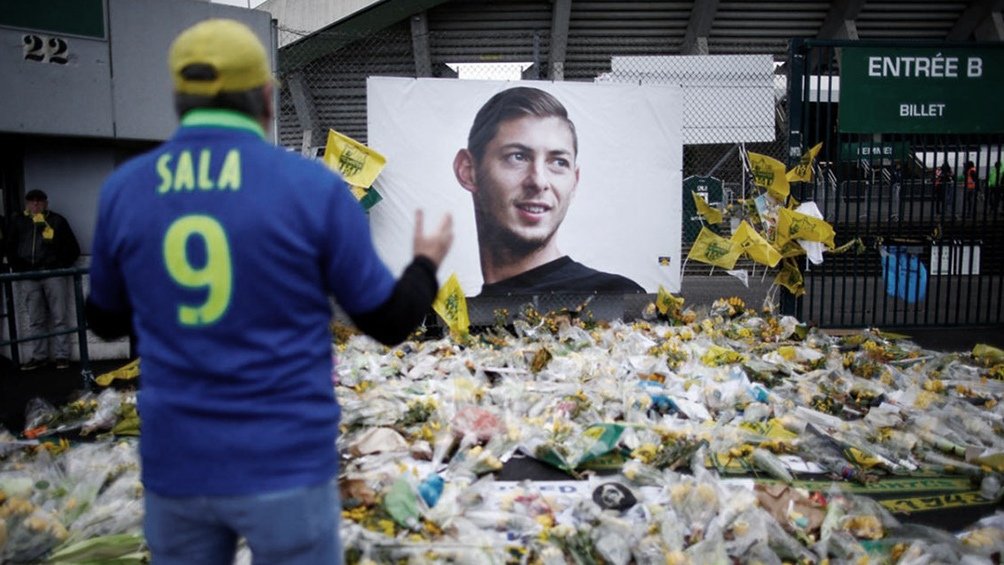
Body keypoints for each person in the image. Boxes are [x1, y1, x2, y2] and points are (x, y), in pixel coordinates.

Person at [85, 19, 452, 565]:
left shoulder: (125, 189)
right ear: (264, 97)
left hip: (176, 461)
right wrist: (426, 261)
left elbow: (106, 321)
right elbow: (390, 321)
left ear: (179, 98)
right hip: (284, 460)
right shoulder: (313, 188)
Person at [452, 86, 644, 296]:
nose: (538, 181)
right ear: (468, 171)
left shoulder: (614, 296)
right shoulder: (449, 314)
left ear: (575, 181)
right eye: (517, 157)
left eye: (559, 162)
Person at [6, 189, 80, 370]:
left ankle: (62, 356)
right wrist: (19, 267)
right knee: (36, 318)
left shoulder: (57, 221)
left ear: (46, 203)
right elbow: (9, 247)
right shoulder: (18, 222)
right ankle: (40, 356)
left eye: (39, 201)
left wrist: (58, 265)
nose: (36, 205)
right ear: (27, 203)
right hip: (29, 276)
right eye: (32, 201)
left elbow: (73, 249)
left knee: (59, 316)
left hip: (52, 274)